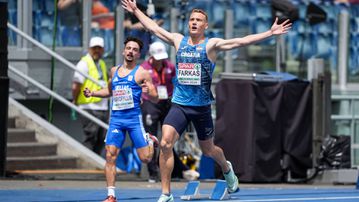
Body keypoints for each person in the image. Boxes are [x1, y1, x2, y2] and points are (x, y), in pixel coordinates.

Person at [121, 1, 292, 201]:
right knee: (166, 143)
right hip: (180, 105)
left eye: (199, 20)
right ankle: (166, 193)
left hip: (201, 108)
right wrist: (135, 11)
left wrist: (269, 33)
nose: (194, 23)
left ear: (205, 26)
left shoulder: (211, 45)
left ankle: (227, 168)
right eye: (192, 19)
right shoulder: (178, 40)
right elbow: (154, 27)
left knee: (209, 150)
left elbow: (241, 41)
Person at [83, 36, 159, 202]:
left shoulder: (142, 73)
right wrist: (93, 93)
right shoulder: (114, 71)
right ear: (124, 51)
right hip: (116, 119)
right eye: (129, 48)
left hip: (133, 120)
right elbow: (109, 90)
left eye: (135, 50)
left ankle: (150, 141)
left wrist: (148, 91)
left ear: (139, 54)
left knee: (146, 158)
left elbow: (155, 97)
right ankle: (111, 195)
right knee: (110, 155)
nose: (131, 52)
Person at [140, 41, 175, 182]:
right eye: (158, 57)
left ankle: (168, 170)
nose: (160, 60)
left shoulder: (170, 67)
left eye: (162, 57)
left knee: (168, 138)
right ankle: (152, 172)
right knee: (151, 137)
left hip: (166, 102)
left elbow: (174, 82)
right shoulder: (143, 68)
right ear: (151, 56)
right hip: (150, 103)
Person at [72, 36, 109, 155]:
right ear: (89, 48)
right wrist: (75, 100)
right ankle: (88, 163)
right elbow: (76, 85)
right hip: (89, 106)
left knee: (102, 137)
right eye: (94, 48)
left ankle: (95, 162)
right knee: (91, 136)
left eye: (99, 48)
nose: (97, 51)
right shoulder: (83, 63)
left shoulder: (102, 63)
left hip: (102, 106)